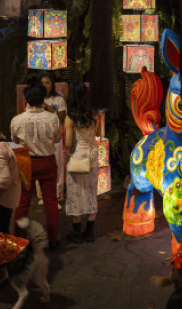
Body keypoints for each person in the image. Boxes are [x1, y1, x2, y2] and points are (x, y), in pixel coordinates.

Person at [11, 82, 62, 249]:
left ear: (26, 98)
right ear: (43, 99)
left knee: (23, 201)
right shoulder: (53, 118)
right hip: (47, 161)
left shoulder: (17, 120)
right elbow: (57, 139)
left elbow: (15, 140)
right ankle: (53, 239)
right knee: (51, 201)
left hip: (26, 162)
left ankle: (19, 240)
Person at [64, 82, 100, 244]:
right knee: (91, 191)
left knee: (76, 193)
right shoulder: (95, 114)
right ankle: (90, 233)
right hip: (92, 154)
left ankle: (77, 233)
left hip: (78, 156)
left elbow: (68, 142)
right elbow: (97, 133)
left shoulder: (70, 117)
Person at [39, 71, 67, 205]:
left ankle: (57, 196)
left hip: (55, 139)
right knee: (41, 167)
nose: (45, 86)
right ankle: (41, 196)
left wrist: (50, 109)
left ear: (52, 84)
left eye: (47, 83)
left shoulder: (58, 100)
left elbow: (61, 120)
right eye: (42, 83)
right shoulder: (35, 99)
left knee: (57, 167)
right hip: (39, 139)